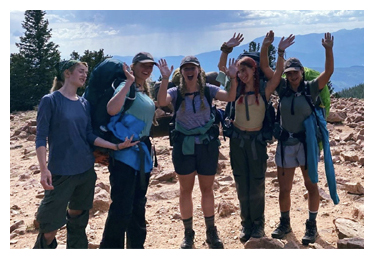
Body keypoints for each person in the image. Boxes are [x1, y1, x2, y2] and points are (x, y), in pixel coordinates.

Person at [34, 60, 136, 249]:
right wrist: (43, 169)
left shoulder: (84, 103)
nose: (84, 75)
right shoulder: (50, 100)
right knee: (49, 228)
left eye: (86, 73)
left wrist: (115, 146)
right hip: (61, 173)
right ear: (67, 73)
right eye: (80, 71)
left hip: (86, 172)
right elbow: (41, 137)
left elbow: (89, 135)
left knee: (78, 222)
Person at [217, 32, 294, 243]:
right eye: (239, 70)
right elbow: (222, 68)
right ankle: (246, 224)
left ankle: (258, 224)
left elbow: (278, 73)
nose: (241, 74)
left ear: (254, 70)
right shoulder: (234, 89)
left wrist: (277, 51)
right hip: (238, 141)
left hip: (257, 142)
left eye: (245, 70)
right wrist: (226, 48)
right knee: (242, 183)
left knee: (257, 183)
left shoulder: (264, 90)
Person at [260, 32, 334, 245]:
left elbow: (328, 72)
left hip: (306, 144)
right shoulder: (282, 88)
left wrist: (328, 49)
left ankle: (311, 225)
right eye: (289, 73)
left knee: (311, 186)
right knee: (285, 188)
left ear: (302, 72)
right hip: (286, 144)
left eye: (296, 73)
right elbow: (266, 68)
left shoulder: (310, 88)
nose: (292, 76)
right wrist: (272, 48)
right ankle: (285, 223)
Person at [157, 56, 238, 249]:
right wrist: (165, 78)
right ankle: (189, 234)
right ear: (182, 73)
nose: (189, 71)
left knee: (207, 189)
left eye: (192, 68)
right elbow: (161, 101)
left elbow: (230, 97)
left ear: (198, 71)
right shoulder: (174, 92)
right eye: (186, 68)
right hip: (184, 146)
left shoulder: (208, 90)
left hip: (206, 146)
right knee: (185, 190)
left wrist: (233, 78)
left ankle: (211, 231)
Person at [99, 52, 158, 249]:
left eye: (150, 66)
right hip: (124, 153)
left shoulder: (142, 89)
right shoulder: (127, 86)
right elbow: (111, 109)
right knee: (122, 206)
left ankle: (136, 247)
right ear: (133, 67)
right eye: (143, 65)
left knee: (138, 204)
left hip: (141, 151)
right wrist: (128, 82)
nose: (147, 69)